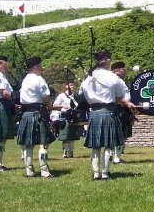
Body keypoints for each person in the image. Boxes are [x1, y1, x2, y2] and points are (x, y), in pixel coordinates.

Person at [80, 50, 133, 180]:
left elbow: (82, 95)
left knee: (96, 146)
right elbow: (119, 96)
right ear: (107, 62)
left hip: (94, 112)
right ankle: (105, 173)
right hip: (108, 111)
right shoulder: (112, 77)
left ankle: (96, 173)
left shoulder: (88, 78)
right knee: (108, 144)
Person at [17, 56, 56, 178]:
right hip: (39, 112)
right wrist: (50, 106)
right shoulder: (39, 79)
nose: (41, 68)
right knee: (43, 142)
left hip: (27, 113)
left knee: (29, 143)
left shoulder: (25, 80)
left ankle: (29, 170)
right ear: (35, 67)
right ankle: (44, 171)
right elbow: (46, 97)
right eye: (40, 65)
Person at [111, 61, 133, 164]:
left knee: (122, 134)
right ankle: (116, 158)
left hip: (122, 108)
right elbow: (117, 96)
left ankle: (116, 156)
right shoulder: (116, 80)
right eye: (123, 69)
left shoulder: (119, 80)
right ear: (118, 70)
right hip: (119, 109)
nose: (125, 71)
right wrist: (126, 103)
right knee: (119, 134)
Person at [52, 82, 81, 158]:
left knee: (72, 136)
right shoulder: (62, 95)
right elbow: (54, 105)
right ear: (66, 86)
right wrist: (63, 106)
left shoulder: (75, 96)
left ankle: (71, 152)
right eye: (69, 85)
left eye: (72, 85)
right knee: (65, 136)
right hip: (65, 116)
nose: (71, 86)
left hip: (74, 116)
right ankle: (65, 152)